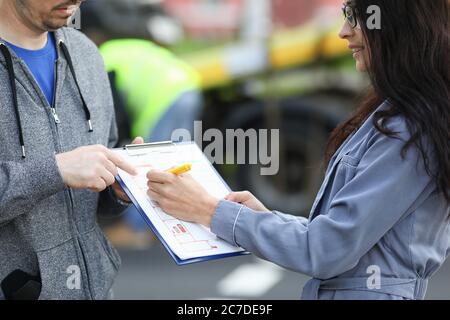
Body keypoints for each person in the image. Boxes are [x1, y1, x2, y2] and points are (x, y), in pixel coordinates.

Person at [145, 0, 450, 300]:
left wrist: (211, 211)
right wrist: (259, 218)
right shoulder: (399, 117)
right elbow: (343, 236)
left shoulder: (407, 129)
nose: (343, 31)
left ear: (397, 25)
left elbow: (327, 249)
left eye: (356, 17)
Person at [0, 0, 141, 299]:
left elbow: (103, 155)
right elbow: (64, 170)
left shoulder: (86, 53)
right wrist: (56, 171)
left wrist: (118, 189)